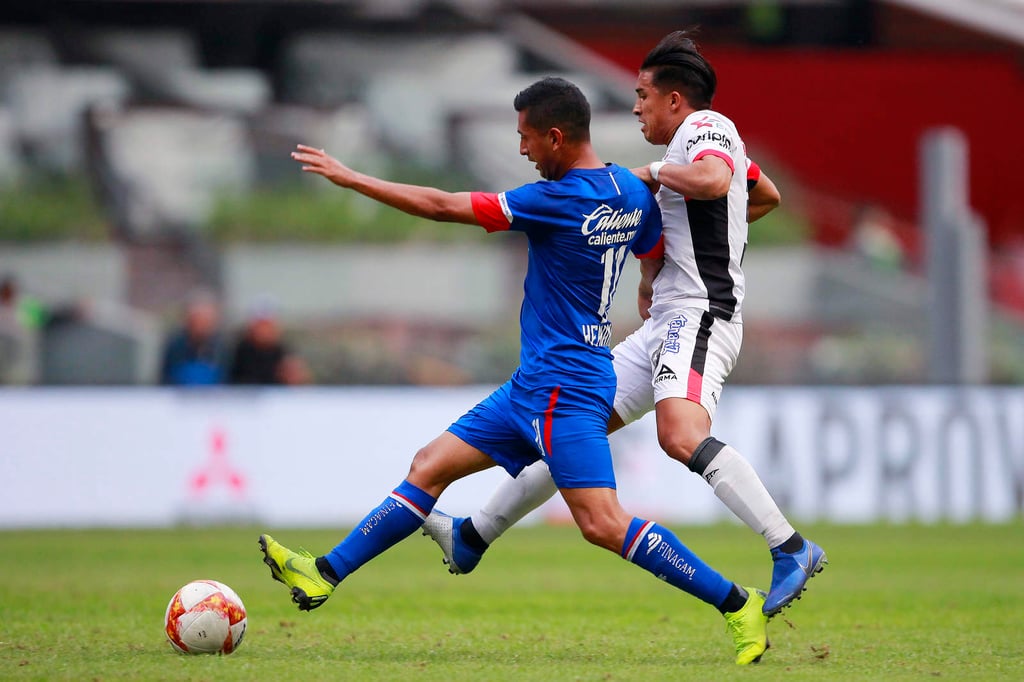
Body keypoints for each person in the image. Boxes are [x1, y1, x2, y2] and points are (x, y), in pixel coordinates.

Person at [260, 76, 770, 665]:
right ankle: (323, 574)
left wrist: (353, 179)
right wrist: (649, 282)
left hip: (565, 390)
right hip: (539, 383)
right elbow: (654, 242)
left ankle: (737, 603)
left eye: (527, 139)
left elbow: (441, 206)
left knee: (603, 524)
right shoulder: (630, 190)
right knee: (429, 466)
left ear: (556, 137)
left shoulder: (552, 199)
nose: (523, 151)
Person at [422, 31, 826, 620]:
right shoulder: (702, 141)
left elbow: (718, 182)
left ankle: (789, 547)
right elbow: (759, 193)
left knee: (679, 435)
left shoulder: (703, 128)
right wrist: (700, 237)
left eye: (642, 95)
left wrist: (658, 175)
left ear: (675, 100)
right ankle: (475, 533)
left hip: (700, 316)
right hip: (667, 319)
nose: (635, 107)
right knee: (568, 427)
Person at [228, 298, 311, 385]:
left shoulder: (285, 353)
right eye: (261, 325)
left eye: (268, 325)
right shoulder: (238, 353)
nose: (264, 330)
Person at [159, 289, 229, 386]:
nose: (201, 326)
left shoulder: (222, 348)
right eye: (197, 320)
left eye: (205, 321)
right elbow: (165, 378)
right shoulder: (175, 347)